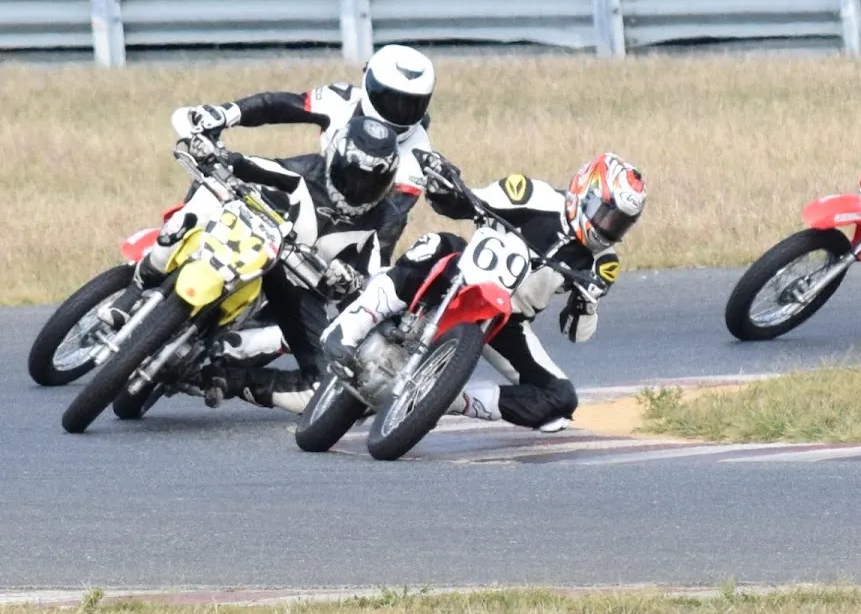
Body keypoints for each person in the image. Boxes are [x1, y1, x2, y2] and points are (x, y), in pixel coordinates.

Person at [320, 152, 647, 432]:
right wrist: (445, 184)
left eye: (619, 223)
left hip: (506, 322)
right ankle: (351, 327)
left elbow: (576, 333)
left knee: (561, 398)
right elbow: (467, 203)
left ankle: (445, 399)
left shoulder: (603, 263)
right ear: (585, 191)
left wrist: (588, 303)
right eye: (606, 214)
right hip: (464, 275)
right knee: (438, 244)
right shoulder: (534, 194)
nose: (608, 227)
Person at [113, 116, 404, 413]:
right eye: (353, 174)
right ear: (335, 160)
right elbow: (258, 166)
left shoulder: (385, 218)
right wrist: (222, 157)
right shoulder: (307, 171)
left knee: (323, 389)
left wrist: (352, 278)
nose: (359, 186)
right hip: (255, 243)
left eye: (373, 181)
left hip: (300, 286)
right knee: (206, 199)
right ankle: (139, 284)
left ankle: (227, 378)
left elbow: (376, 276)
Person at [177, 43, 437, 261]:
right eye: (390, 100)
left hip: (350, 231)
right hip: (310, 187)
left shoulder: (417, 157)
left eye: (411, 105)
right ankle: (177, 236)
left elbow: (387, 223)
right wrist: (227, 113)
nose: (399, 112)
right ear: (369, 85)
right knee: (222, 170)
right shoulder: (343, 99)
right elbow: (280, 106)